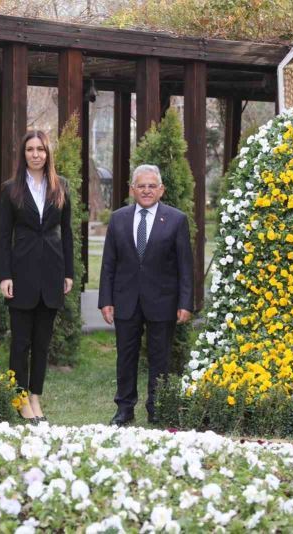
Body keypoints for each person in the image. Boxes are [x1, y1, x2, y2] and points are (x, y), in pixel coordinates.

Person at [98, 164, 193, 426]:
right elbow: (108, 263)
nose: (147, 190)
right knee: (125, 356)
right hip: (126, 300)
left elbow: (185, 266)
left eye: (152, 186)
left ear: (161, 190)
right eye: (141, 186)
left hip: (163, 301)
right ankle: (124, 408)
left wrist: (186, 303)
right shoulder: (118, 219)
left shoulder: (176, 219)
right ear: (132, 189)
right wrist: (106, 300)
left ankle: (157, 407)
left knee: (160, 357)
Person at [0, 130, 74, 423]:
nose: (36, 154)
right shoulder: (11, 189)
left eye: (40, 149)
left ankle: (35, 397)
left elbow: (67, 232)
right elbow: (3, 236)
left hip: (52, 273)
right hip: (21, 274)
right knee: (21, 342)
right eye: (30, 149)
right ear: (23, 154)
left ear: (47, 153)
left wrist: (68, 272)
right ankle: (19, 398)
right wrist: (5, 275)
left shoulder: (61, 186)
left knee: (42, 343)